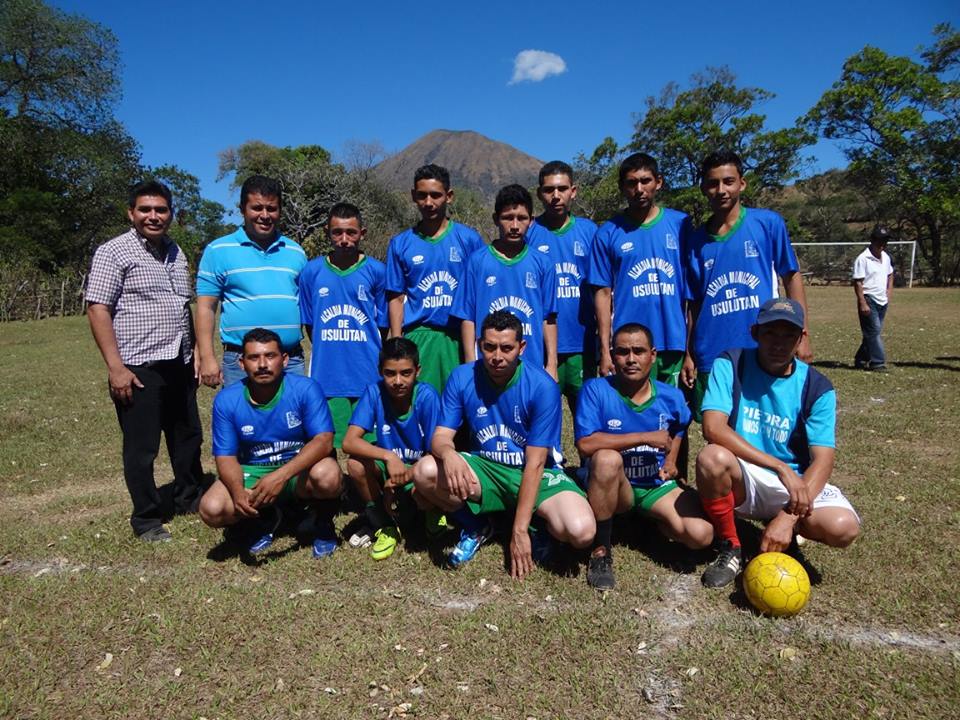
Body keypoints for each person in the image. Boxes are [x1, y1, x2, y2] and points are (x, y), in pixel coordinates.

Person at [413, 311, 595, 579]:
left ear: (521, 348)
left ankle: (536, 528)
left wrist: (518, 532)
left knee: (581, 531)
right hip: (486, 469)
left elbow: (535, 462)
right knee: (424, 471)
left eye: (506, 348)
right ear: (479, 344)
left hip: (537, 473)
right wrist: (448, 454)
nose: (497, 356)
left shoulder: (541, 386)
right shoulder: (462, 377)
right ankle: (477, 526)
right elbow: (440, 437)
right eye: (489, 347)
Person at [695, 298, 860, 588]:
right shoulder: (731, 363)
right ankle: (730, 546)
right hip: (746, 475)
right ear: (755, 332)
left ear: (800, 339)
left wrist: (788, 516)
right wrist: (779, 466)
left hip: (796, 483)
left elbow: (823, 460)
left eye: (789, 335)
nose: (779, 343)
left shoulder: (817, 387)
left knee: (843, 528)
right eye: (771, 332)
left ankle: (784, 534)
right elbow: (713, 428)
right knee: (711, 458)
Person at [86, 180, 206, 542]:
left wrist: (198, 350)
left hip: (179, 361)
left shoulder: (175, 252)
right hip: (139, 365)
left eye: (161, 210)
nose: (153, 216)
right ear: (131, 213)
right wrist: (116, 367)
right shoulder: (114, 252)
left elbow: (184, 307)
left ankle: (189, 497)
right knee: (142, 448)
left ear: (170, 213)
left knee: (188, 437)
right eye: (145, 209)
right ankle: (147, 518)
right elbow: (98, 309)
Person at [575, 323, 713, 590]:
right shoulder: (596, 390)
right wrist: (645, 437)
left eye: (638, 351)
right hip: (617, 487)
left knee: (702, 535)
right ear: (613, 355)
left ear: (653, 355)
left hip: (654, 487)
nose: (630, 359)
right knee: (606, 459)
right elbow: (585, 444)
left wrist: (671, 461)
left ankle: (649, 525)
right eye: (622, 352)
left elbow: (680, 426)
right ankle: (601, 550)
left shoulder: (671, 396)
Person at [682, 151, 812, 421]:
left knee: (764, 424)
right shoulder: (696, 241)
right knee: (717, 435)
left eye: (728, 181)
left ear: (742, 183)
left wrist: (803, 335)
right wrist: (689, 353)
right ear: (704, 188)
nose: (721, 190)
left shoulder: (767, 224)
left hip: (762, 347)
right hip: (712, 352)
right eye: (713, 183)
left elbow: (791, 276)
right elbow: (693, 303)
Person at [198, 328, 343, 558]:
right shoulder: (227, 400)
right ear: (242, 363)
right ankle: (260, 520)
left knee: (328, 474)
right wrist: (237, 494)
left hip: (296, 471)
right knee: (212, 509)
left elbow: (324, 441)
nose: (262, 364)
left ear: (284, 360)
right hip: (253, 473)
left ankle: (322, 522)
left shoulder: (305, 389)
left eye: (270, 356)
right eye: (254, 358)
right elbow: (225, 457)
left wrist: (280, 477)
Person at [195, 175, 308, 387]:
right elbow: (206, 307)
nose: (265, 215)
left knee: (292, 419)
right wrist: (207, 357)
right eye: (257, 208)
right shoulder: (218, 250)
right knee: (245, 419)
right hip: (241, 362)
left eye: (271, 208)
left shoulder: (295, 251)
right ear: (242, 209)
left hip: (290, 360)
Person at [589, 153, 689, 388]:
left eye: (645, 181)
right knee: (633, 416)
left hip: (674, 340)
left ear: (659, 182)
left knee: (674, 418)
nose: (639, 189)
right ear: (622, 187)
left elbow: (693, 291)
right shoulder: (608, 232)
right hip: (629, 348)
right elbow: (602, 294)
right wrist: (606, 349)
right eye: (632, 183)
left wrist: (691, 349)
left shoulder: (681, 225)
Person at [385, 164, 485, 393]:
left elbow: (480, 294)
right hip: (419, 337)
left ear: (449, 196)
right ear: (413, 196)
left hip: (459, 338)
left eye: (435, 195)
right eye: (422, 195)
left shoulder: (468, 239)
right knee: (421, 406)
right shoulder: (401, 243)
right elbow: (396, 298)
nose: (428, 202)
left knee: (462, 405)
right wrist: (399, 344)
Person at [341, 337, 442, 560]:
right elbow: (349, 442)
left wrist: (402, 478)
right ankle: (383, 525)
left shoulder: (426, 396)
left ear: (418, 371)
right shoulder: (374, 392)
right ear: (380, 371)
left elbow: (436, 451)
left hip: (419, 470)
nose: (398, 381)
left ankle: (432, 514)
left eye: (406, 373)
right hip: (391, 465)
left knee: (430, 476)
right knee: (355, 465)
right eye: (390, 373)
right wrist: (388, 456)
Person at [299, 203, 388, 448]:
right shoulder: (311, 272)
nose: (344, 239)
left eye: (351, 232)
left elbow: (381, 327)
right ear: (327, 232)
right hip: (327, 376)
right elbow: (310, 325)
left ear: (363, 233)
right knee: (325, 446)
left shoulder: (377, 271)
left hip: (366, 375)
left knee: (367, 446)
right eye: (337, 232)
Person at [451, 184, 558, 376]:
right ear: (495, 219)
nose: (515, 226)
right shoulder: (477, 261)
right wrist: (470, 364)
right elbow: (467, 317)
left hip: (531, 366)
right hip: (487, 366)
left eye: (522, 218)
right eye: (508, 218)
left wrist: (551, 364)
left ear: (531, 221)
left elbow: (548, 318)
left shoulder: (543, 263)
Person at [525, 160, 599, 414]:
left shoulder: (590, 232)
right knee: (543, 422)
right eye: (548, 190)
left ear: (573, 191)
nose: (555, 196)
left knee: (587, 423)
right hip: (540, 348)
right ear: (539, 194)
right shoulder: (529, 232)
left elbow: (603, 288)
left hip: (583, 343)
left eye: (562, 189)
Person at [853, 226, 894, 372]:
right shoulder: (862, 259)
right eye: (879, 240)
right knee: (874, 331)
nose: (882, 244)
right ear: (872, 240)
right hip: (869, 298)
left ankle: (861, 358)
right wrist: (862, 302)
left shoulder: (886, 257)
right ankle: (878, 362)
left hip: (882, 300)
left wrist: (889, 291)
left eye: (885, 241)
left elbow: (890, 274)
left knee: (872, 332)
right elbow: (858, 282)